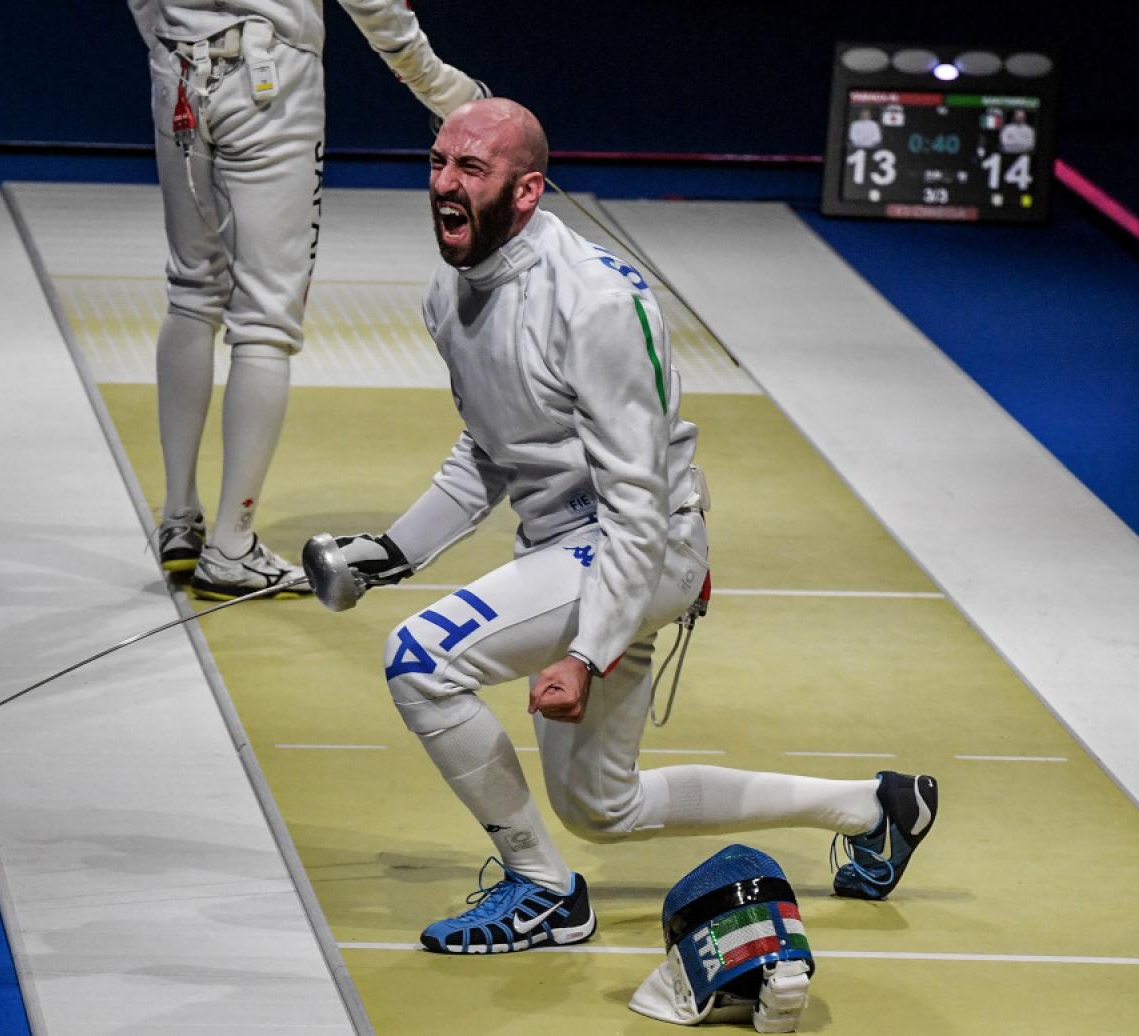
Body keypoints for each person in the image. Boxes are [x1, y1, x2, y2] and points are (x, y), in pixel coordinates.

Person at [319, 98, 940, 954]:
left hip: (642, 549)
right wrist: (394, 550)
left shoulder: (599, 303)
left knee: (420, 660)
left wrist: (587, 651)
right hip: (568, 551)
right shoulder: (450, 291)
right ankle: (875, 809)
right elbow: (494, 446)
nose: (444, 184)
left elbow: (638, 500)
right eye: (438, 163)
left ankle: (543, 893)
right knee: (601, 807)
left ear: (527, 190)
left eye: (471, 168)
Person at [126, 0, 484, 599]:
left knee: (192, 290)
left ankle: (179, 517)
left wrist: (171, 43)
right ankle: (231, 547)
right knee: (265, 320)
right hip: (269, 81)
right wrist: (444, 88)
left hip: (178, 72)